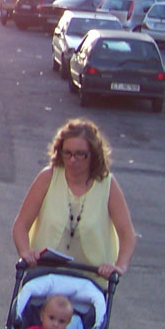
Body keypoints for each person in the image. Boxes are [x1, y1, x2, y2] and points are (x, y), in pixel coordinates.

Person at [11, 119, 135, 285]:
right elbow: (21, 224)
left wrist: (119, 267)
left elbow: (127, 234)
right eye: (67, 153)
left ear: (93, 155)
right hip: (45, 278)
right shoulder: (47, 178)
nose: (72, 160)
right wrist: (25, 252)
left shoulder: (107, 185)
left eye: (80, 154)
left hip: (91, 281)